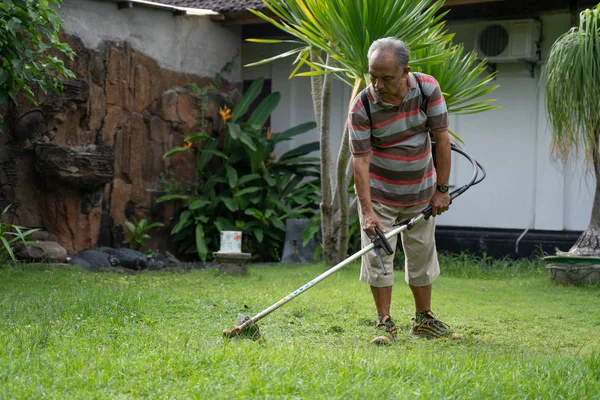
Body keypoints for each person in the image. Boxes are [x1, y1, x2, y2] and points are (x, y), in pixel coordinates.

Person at [348, 37, 460, 344]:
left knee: (422, 254)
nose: (377, 84)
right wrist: (367, 213)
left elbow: (443, 140)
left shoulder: (427, 90)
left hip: (421, 193)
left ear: (405, 72)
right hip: (380, 195)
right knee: (378, 259)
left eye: (386, 78)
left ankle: (423, 319)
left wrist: (442, 190)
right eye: (373, 76)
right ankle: (384, 322)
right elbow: (360, 162)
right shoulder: (363, 106)